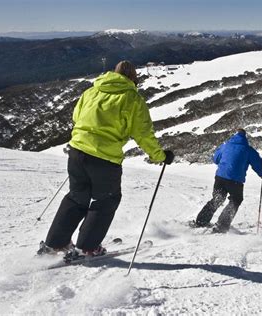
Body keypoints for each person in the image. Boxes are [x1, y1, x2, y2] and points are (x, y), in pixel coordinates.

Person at [38, 60, 174, 256]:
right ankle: (87, 247)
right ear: (133, 78)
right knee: (106, 201)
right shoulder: (132, 99)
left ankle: (55, 243)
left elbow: (77, 117)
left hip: (77, 151)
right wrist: (159, 156)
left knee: (77, 197)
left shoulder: (91, 91)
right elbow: (143, 134)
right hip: (104, 158)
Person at [195, 129, 262, 233]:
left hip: (220, 177)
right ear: (245, 137)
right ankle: (222, 226)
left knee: (217, 198)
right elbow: (257, 163)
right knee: (236, 200)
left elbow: (215, 159)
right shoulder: (248, 150)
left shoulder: (226, 145)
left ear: (235, 135)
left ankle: (201, 221)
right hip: (235, 181)